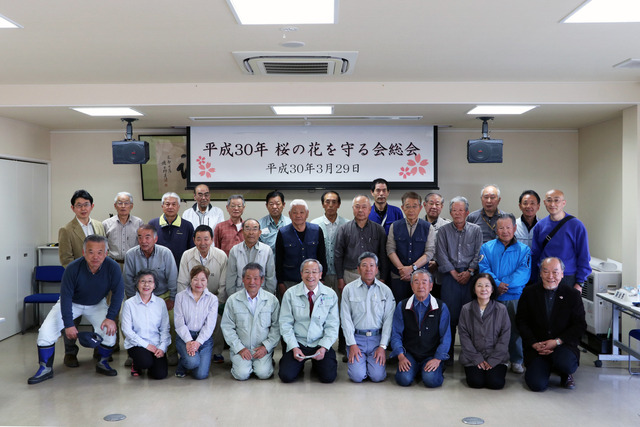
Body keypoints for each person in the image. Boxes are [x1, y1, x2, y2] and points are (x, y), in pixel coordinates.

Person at [28, 235, 123, 384]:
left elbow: (118, 294)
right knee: (45, 332)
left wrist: (110, 318)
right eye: (91, 252)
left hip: (97, 304)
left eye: (100, 252)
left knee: (109, 333)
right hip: (72, 302)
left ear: (106, 253)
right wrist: (68, 324)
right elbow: (65, 297)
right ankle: (45, 368)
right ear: (84, 252)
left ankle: (102, 362)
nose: (95, 256)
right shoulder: (73, 268)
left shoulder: (113, 267)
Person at [516, 257, 587, 391]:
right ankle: (543, 367)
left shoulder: (572, 295)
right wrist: (534, 343)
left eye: (555, 272)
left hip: (562, 345)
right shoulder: (529, 292)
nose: (550, 276)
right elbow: (521, 321)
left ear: (562, 274)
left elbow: (580, 325)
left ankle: (565, 373)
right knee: (536, 385)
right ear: (540, 273)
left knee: (565, 363)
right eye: (546, 271)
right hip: (538, 346)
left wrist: (557, 341)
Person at [57, 189, 106, 367]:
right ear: (73, 208)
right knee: (71, 318)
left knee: (99, 317)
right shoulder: (66, 230)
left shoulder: (99, 226)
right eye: (79, 205)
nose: (83, 208)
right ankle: (70, 352)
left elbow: (103, 253)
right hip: (77, 282)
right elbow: (66, 259)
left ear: (92, 206)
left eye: (86, 205)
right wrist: (82, 275)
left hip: (99, 281)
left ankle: (98, 349)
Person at [479, 213, 531, 374]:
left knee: (515, 329)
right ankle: (498, 359)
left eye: (508, 227)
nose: (505, 231)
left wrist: (504, 284)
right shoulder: (486, 248)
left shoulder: (524, 249)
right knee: (493, 330)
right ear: (495, 229)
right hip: (492, 296)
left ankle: (516, 359)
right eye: (501, 228)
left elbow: (523, 273)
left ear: (514, 228)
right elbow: (484, 269)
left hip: (514, 296)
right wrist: (496, 284)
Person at [436, 196, 483, 363]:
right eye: (454, 210)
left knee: (470, 318)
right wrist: (454, 273)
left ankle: (468, 355)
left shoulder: (476, 230)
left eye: (461, 210)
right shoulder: (443, 231)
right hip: (449, 277)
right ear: (450, 212)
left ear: (467, 212)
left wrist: (470, 271)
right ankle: (446, 355)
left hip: (471, 278)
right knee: (449, 317)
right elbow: (440, 254)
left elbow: (479, 252)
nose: (457, 213)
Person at [124, 224, 178, 365]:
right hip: (139, 295)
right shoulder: (131, 254)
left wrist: (172, 298)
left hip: (163, 295)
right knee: (125, 321)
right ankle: (134, 352)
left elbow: (173, 277)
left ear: (155, 239)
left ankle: (170, 352)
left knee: (172, 321)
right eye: (140, 237)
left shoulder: (165, 253)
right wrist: (132, 301)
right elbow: (128, 279)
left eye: (148, 237)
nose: (143, 241)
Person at [278, 259, 339, 383]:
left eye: (314, 272)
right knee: (286, 376)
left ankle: (317, 365)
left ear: (320, 274)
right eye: (306, 272)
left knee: (328, 377)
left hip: (319, 342)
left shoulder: (330, 294)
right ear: (301, 274)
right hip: (298, 341)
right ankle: (298, 365)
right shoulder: (290, 294)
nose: (310, 276)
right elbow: (285, 324)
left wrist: (324, 347)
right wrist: (294, 347)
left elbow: (332, 325)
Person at [390, 269, 451, 388]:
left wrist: (437, 359)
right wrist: (401, 356)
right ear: (412, 286)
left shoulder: (441, 307)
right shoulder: (402, 306)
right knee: (404, 379)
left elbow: (446, 337)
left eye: (424, 282)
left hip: (431, 354)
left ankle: (429, 369)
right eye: (416, 282)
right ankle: (416, 369)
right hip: (409, 354)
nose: (421, 286)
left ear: (431, 286)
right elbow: (396, 334)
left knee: (431, 381)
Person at [341, 252, 395, 383]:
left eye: (372, 265)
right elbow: (345, 318)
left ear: (377, 269)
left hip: (377, 340)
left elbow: (389, 321)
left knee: (377, 377)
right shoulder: (348, 289)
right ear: (358, 269)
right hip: (357, 338)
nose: (368, 269)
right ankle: (360, 365)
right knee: (357, 377)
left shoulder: (385, 290)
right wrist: (352, 344)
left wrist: (382, 346)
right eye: (364, 265)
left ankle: (370, 365)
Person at [177, 224, 227, 363]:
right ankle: (190, 346)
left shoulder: (221, 255)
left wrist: (218, 302)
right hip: (191, 298)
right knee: (187, 319)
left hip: (214, 298)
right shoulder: (187, 255)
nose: (203, 243)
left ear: (212, 240)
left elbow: (223, 284)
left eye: (206, 239)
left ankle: (216, 351)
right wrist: (185, 302)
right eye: (199, 239)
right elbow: (182, 282)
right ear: (194, 240)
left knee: (217, 319)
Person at [221, 263, 281, 381]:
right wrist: (239, 348)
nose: (252, 282)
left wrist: (266, 347)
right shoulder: (233, 300)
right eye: (248, 278)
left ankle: (265, 362)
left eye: (255, 278)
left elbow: (277, 327)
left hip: (261, 349)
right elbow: (227, 327)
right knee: (242, 374)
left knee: (263, 374)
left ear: (262, 280)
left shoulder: (271, 300)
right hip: (241, 349)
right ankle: (242, 364)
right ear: (243, 279)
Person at [531, 189, 591, 291]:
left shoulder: (576, 225)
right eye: (549, 200)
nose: (552, 204)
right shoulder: (540, 226)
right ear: (545, 203)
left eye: (556, 200)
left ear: (563, 203)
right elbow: (535, 255)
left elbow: (584, 256)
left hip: (567, 277)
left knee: (566, 307)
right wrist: (533, 280)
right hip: (544, 277)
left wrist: (580, 283)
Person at [458, 274, 510, 389]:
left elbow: (505, 337)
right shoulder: (466, 309)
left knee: (495, 383)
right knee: (476, 382)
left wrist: (493, 360)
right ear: (474, 289)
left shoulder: (501, 309)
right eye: (479, 285)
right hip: (473, 357)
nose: (483, 289)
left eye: (487, 286)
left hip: (497, 357)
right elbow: (464, 336)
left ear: (492, 289)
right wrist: (477, 358)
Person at [121, 269, 170, 379]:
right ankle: (136, 364)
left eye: (150, 281)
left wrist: (162, 348)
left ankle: (152, 362)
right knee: (144, 362)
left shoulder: (160, 303)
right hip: (137, 344)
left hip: (156, 344)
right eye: (142, 281)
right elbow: (127, 330)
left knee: (160, 375)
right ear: (137, 284)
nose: (146, 284)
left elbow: (165, 328)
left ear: (154, 285)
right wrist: (147, 345)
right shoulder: (129, 304)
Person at [387, 191, 435, 303]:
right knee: (399, 306)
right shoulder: (395, 226)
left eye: (415, 206)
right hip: (398, 276)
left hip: (421, 277)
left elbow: (429, 252)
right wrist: (402, 270)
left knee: (420, 306)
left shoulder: (428, 227)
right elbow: (390, 249)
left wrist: (412, 268)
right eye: (408, 206)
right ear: (402, 208)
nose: (411, 210)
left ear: (420, 207)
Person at [174, 265, 219, 379]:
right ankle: (184, 363)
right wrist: (189, 341)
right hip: (185, 337)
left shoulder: (212, 299)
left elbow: (209, 326)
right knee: (192, 362)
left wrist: (197, 343)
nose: (199, 283)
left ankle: (189, 359)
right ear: (190, 280)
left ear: (207, 281)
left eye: (203, 279)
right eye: (195, 279)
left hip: (204, 339)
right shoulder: (180, 297)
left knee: (201, 375)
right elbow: (179, 323)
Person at [335, 195, 389, 289]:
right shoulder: (343, 229)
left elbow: (383, 255)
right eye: (357, 207)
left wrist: (383, 278)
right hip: (350, 275)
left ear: (370, 209)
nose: (360, 210)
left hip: (373, 274)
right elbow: (338, 256)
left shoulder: (379, 229)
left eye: (364, 207)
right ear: (353, 208)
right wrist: (340, 279)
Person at [275, 199, 327, 298]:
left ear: (307, 214)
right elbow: (279, 259)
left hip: (313, 280)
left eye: (302, 212)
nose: (298, 215)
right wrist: (280, 282)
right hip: (289, 281)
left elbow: (322, 256)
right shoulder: (283, 233)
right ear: (290, 214)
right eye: (295, 213)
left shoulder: (316, 230)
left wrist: (322, 278)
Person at [310, 190, 349, 294]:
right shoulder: (314, 225)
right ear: (323, 204)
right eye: (327, 202)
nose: (330, 205)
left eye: (334, 202)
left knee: (341, 304)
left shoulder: (347, 225)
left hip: (341, 274)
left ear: (339, 205)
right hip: (321, 274)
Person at [226, 218, 276, 295]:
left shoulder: (267, 250)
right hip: (239, 293)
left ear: (260, 233)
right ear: (242, 232)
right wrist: (233, 298)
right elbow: (231, 277)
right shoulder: (235, 250)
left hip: (261, 294)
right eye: (247, 229)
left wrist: (267, 297)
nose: (251, 233)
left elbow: (270, 277)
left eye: (254, 229)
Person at [149, 192, 195, 267]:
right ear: (162, 206)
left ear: (178, 207)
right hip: (157, 267)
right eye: (167, 204)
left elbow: (192, 250)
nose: (170, 207)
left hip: (180, 267)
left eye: (174, 204)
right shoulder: (152, 224)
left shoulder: (187, 225)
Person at [102, 191, 144, 267]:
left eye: (126, 203)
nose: (123, 206)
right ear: (115, 206)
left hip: (133, 264)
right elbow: (102, 246)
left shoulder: (138, 223)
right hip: (112, 264)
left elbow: (142, 244)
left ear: (131, 206)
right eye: (120, 203)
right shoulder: (106, 224)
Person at [423, 192, 451, 298]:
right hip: (422, 275)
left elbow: (452, 250)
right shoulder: (418, 225)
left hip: (442, 275)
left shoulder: (448, 226)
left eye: (437, 204)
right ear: (425, 205)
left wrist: (437, 263)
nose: (434, 207)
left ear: (442, 206)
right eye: (431, 203)